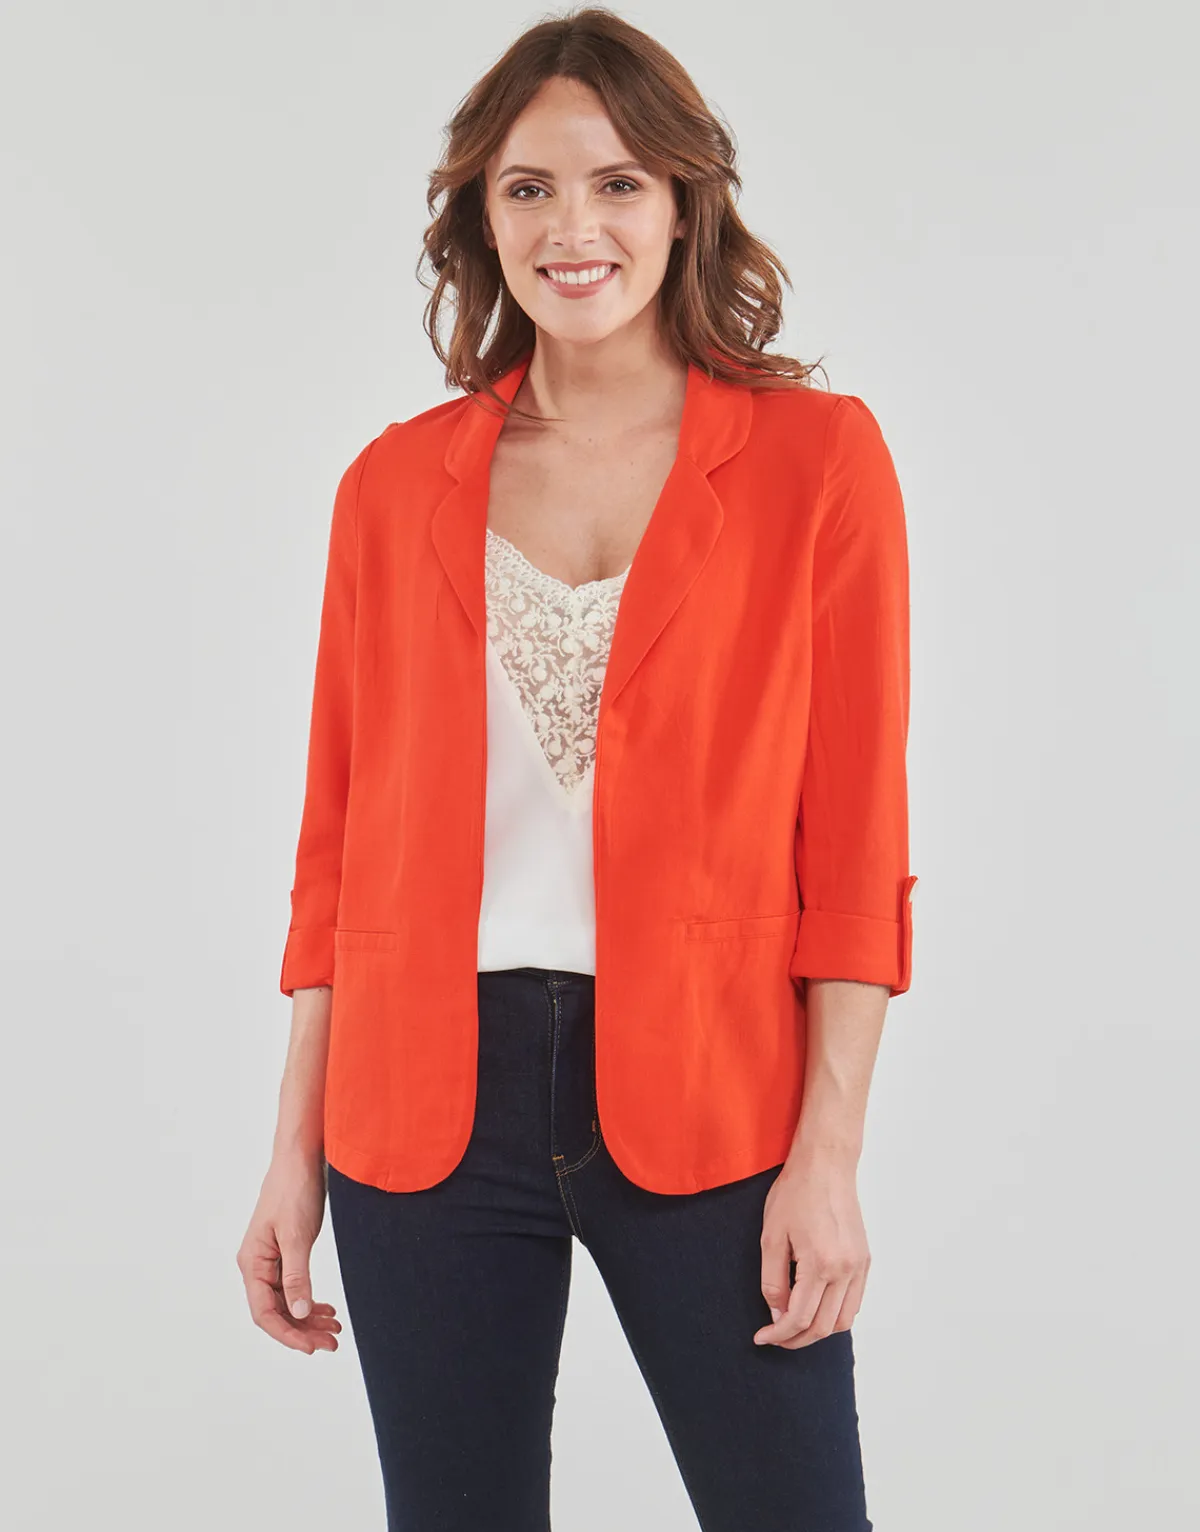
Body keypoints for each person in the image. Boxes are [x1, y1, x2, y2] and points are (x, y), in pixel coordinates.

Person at [237, 9, 917, 1530]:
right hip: (422, 1101)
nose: (573, 228)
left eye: (617, 184)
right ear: (483, 218)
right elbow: (335, 849)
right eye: (528, 188)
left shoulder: (818, 463)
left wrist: (829, 1156)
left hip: (718, 1094)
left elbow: (856, 850)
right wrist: (292, 1155)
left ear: (682, 203)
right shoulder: (392, 486)